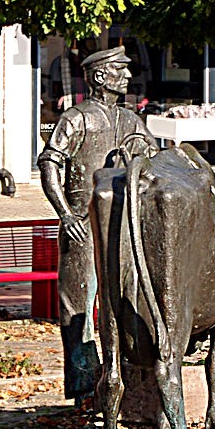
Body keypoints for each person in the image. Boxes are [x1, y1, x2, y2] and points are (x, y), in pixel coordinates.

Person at [37, 46, 155, 405]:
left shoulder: (132, 121)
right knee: (79, 306)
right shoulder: (76, 118)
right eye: (121, 69)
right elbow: (50, 164)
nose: (129, 76)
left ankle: (128, 375)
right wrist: (66, 214)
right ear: (101, 76)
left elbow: (150, 161)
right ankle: (85, 384)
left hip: (122, 223)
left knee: (126, 300)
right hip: (84, 225)